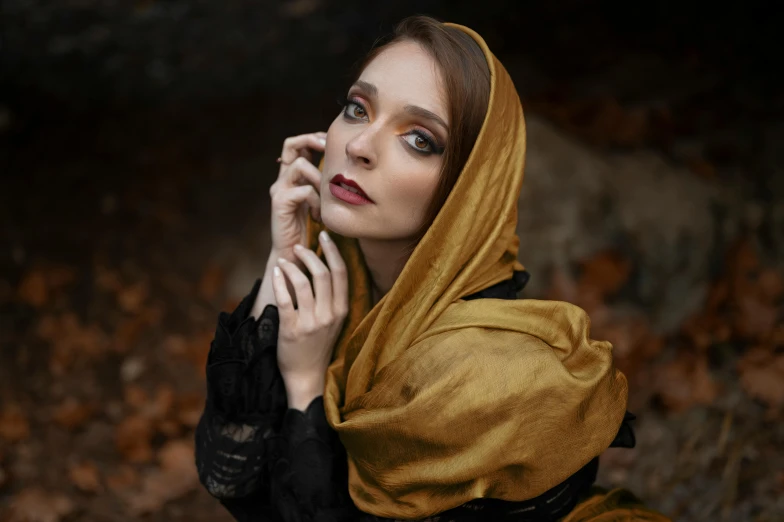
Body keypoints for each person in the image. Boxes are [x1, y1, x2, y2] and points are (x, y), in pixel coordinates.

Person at [194, 15, 671, 522]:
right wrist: (284, 255)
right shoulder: (343, 284)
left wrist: (307, 386)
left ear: (468, 188)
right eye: (358, 109)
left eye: (418, 139)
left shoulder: (499, 378)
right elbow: (231, 475)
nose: (358, 145)